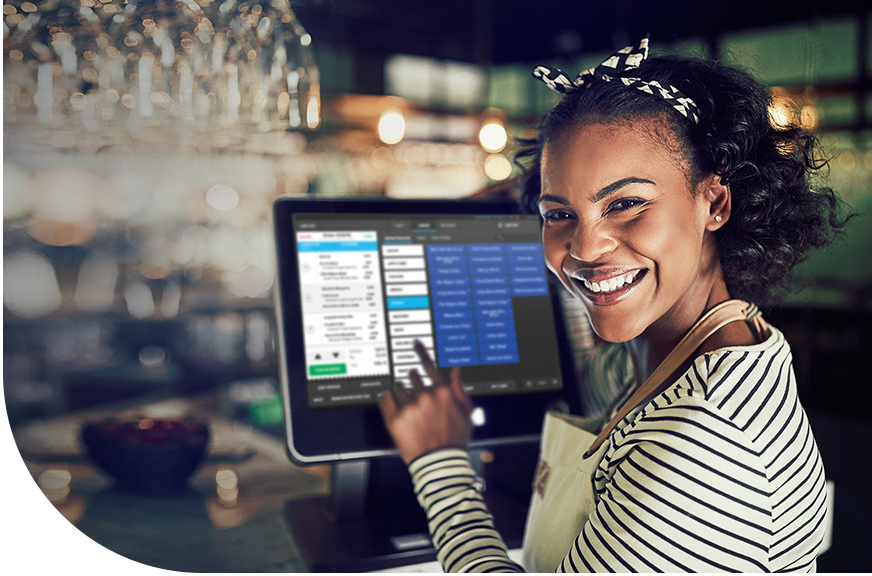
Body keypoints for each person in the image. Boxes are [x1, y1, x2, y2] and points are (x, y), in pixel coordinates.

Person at [378, 37, 853, 575]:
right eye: (559, 215)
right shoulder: (684, 349)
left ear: (715, 202)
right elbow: (590, 367)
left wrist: (439, 465)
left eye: (626, 203)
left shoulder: (706, 441)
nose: (584, 248)